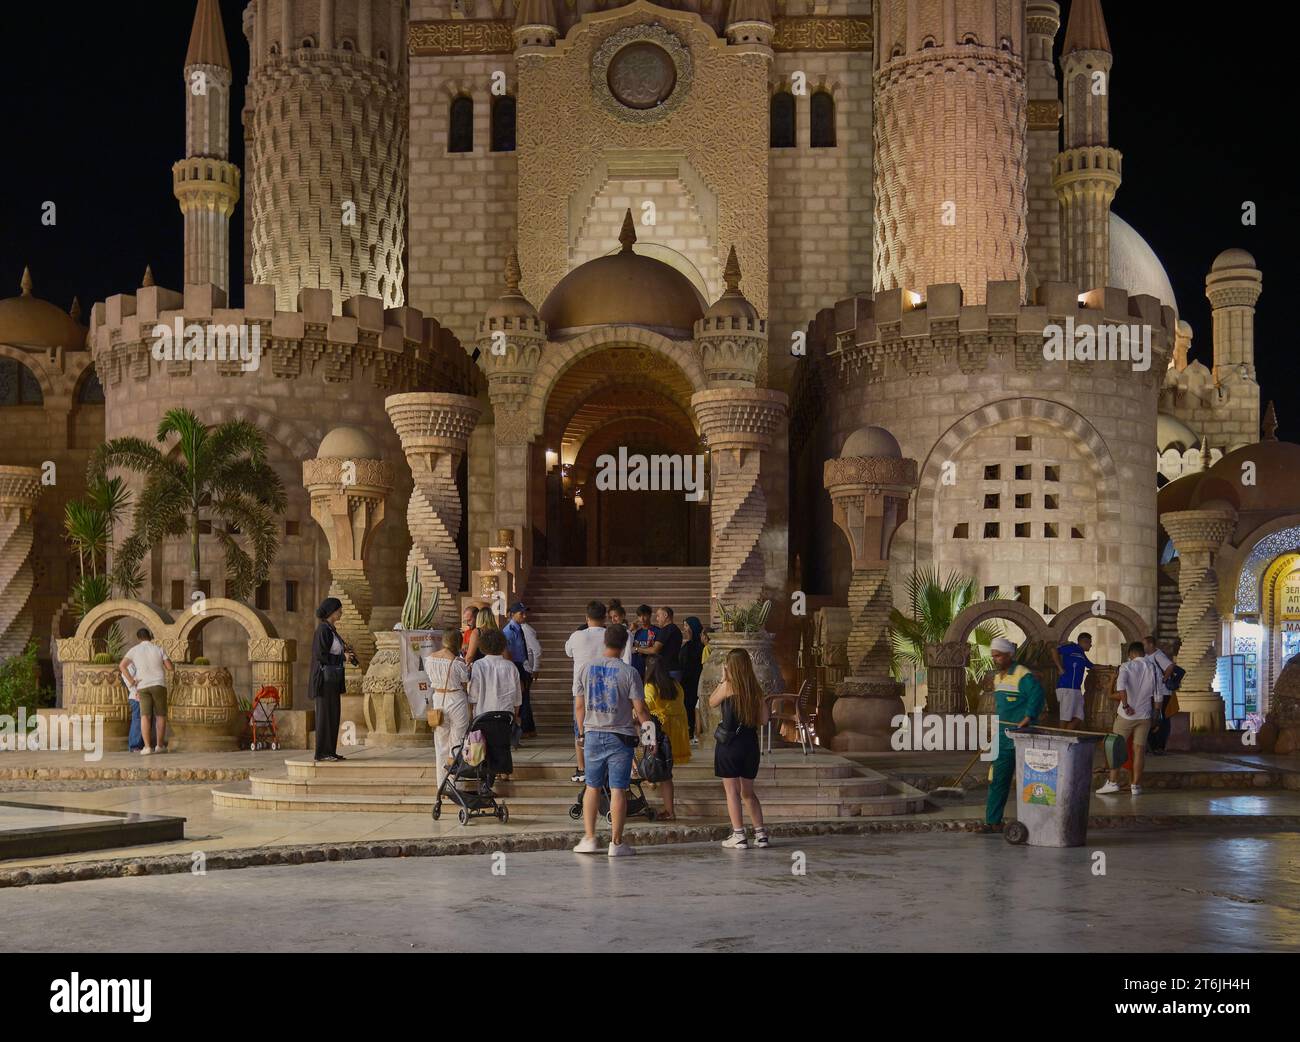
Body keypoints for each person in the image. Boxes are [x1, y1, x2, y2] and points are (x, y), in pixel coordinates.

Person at [573, 624, 652, 856]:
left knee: (592, 787)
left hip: (593, 733)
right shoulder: (629, 673)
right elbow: (641, 709)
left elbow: (579, 705)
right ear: (625, 644)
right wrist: (649, 737)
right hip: (621, 735)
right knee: (618, 789)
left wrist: (580, 733)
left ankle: (589, 838)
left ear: (605, 642)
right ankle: (616, 843)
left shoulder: (586, 668)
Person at [977, 636, 1046, 834]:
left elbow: (1037, 695)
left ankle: (1035, 822)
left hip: (1023, 735)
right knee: (998, 780)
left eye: (998, 656)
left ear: (1009, 655)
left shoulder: (1023, 675)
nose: (995, 659)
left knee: (1030, 781)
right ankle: (993, 822)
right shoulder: (998, 678)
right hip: (1002, 737)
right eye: (993, 656)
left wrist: (1028, 716)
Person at [708, 648, 771, 849]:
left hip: (729, 746)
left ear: (730, 666)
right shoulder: (756, 690)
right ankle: (760, 834)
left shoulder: (728, 686)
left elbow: (711, 702)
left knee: (731, 792)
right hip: (750, 745)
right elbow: (764, 719)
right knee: (748, 792)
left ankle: (739, 835)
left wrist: (722, 680)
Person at [1098, 641, 1162, 796]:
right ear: (1142, 653)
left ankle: (1113, 782)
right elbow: (1158, 696)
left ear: (1131, 654)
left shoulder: (1126, 666)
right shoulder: (1154, 669)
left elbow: (1121, 688)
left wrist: (1126, 706)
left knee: (1115, 747)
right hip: (1145, 715)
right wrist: (1156, 715)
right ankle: (1135, 786)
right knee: (1139, 750)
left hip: (1127, 715)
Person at [564, 600, 608, 783]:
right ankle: (605, 765)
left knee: (580, 729)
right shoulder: (610, 634)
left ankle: (582, 768)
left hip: (581, 689)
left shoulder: (576, 636)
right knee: (605, 727)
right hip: (607, 687)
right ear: (605, 617)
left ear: (587, 617)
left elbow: (568, 652)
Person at [642, 654, 691, 820]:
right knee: (667, 773)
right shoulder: (675, 684)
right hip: (677, 730)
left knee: (650, 761)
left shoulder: (650, 685)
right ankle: (669, 810)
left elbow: (646, 706)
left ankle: (650, 779)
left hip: (658, 730)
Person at [309, 598, 357, 762]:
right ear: (331, 611)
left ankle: (330, 751)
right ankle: (322, 753)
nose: (341, 612)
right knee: (324, 717)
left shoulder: (331, 629)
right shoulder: (323, 630)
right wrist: (342, 657)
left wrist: (345, 653)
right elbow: (320, 655)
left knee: (333, 716)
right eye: (339, 610)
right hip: (324, 681)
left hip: (333, 682)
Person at [422, 628, 471, 788]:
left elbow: (430, 677)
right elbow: (465, 681)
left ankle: (441, 784)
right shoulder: (457, 662)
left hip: (439, 699)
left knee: (441, 743)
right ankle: (456, 783)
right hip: (456, 699)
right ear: (458, 642)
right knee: (457, 741)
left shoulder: (429, 659)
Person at [119, 628, 174, 755]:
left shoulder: (134, 650)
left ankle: (147, 747)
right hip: (158, 684)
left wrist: (132, 681)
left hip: (142, 686)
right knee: (160, 716)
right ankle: (160, 746)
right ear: (150, 636)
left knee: (145, 716)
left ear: (139, 638)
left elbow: (122, 665)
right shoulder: (159, 649)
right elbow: (170, 667)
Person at [467, 627, 522, 723]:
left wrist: (471, 714)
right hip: (506, 716)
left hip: (483, 715)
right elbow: (517, 698)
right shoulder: (511, 667)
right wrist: (515, 715)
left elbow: (473, 695)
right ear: (502, 645)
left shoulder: (478, 665)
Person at [502, 603, 538, 738]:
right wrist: (515, 673)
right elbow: (508, 653)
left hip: (523, 665)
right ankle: (522, 729)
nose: (524, 615)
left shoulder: (520, 628)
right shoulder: (508, 631)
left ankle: (527, 728)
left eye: (524, 613)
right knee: (521, 699)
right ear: (512, 614)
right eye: (521, 613)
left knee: (525, 698)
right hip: (515, 666)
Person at [1050, 631, 1094, 731]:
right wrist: (1059, 668)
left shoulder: (1082, 654)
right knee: (1065, 715)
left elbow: (1092, 666)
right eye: (1090, 643)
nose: (1091, 646)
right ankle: (1061, 737)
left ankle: (1067, 733)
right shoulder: (1072, 647)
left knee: (1080, 716)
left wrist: (1109, 667)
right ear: (1084, 642)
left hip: (1076, 689)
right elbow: (1054, 650)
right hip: (1067, 686)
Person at [1144, 635, 1178, 755]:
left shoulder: (1158, 655)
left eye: (1145, 644)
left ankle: (1160, 746)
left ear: (1151, 645)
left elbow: (1170, 666)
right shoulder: (1147, 656)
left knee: (1161, 718)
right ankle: (1153, 745)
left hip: (1163, 692)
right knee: (1153, 717)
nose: (1144, 647)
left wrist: (1163, 680)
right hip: (1154, 692)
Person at [680, 616, 705, 745]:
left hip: (696, 680)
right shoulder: (687, 645)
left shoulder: (700, 645)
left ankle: (697, 732)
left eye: (686, 626)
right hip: (686, 681)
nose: (685, 629)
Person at [652, 605, 683, 682]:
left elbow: (654, 650)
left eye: (658, 616)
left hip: (667, 670)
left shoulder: (666, 629)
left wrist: (637, 649)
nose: (657, 619)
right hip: (674, 669)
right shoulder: (676, 629)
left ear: (665, 615)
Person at [630, 604, 660, 678]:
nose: (642, 619)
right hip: (638, 668)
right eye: (639, 616)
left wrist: (638, 649)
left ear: (650, 615)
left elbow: (656, 650)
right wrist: (630, 630)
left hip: (651, 667)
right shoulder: (637, 632)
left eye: (644, 615)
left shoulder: (657, 631)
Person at [608, 600, 633, 664]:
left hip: (621, 667)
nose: (613, 620)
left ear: (623, 616)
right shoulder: (609, 632)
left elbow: (627, 656)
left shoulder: (627, 633)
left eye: (615, 616)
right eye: (611, 617)